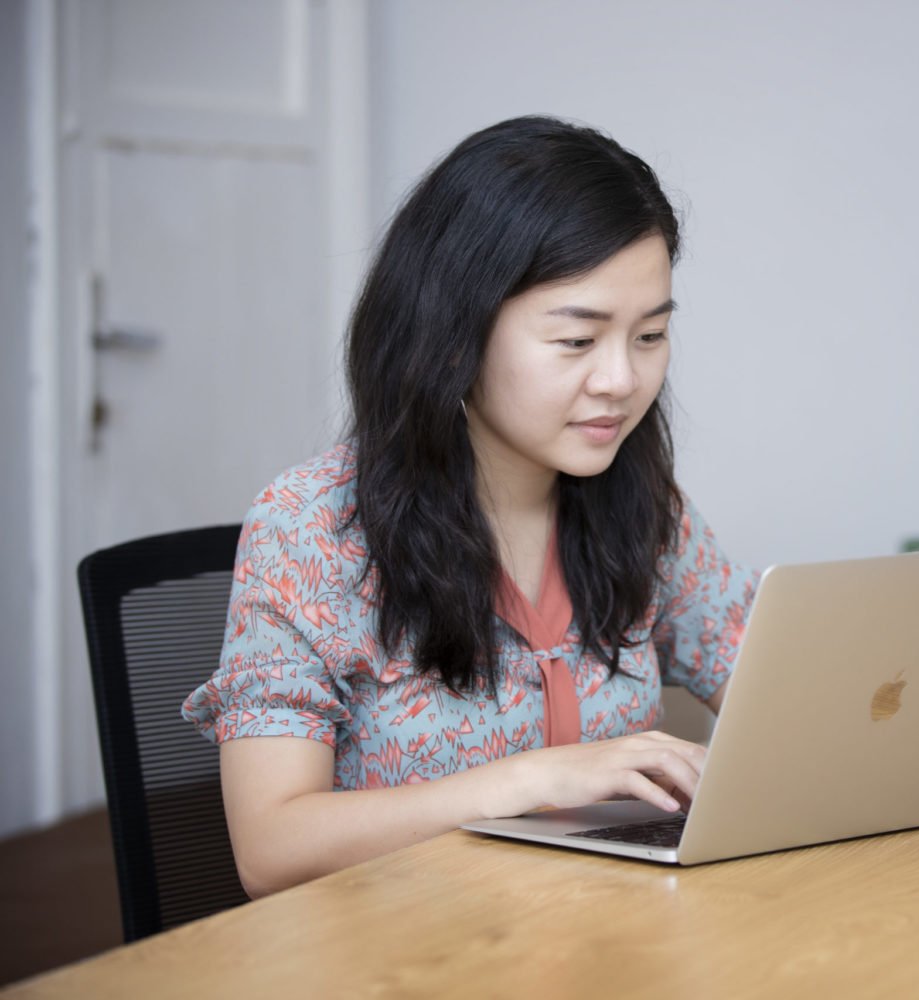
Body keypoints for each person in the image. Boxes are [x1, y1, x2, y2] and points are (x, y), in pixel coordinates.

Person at [182, 116, 759, 898]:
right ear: (456, 334)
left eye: (650, 335)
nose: (622, 381)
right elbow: (271, 849)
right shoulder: (311, 528)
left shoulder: (644, 510)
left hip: (602, 936)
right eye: (577, 342)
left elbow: (779, 692)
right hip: (405, 946)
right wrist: (527, 781)